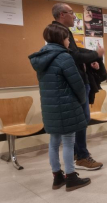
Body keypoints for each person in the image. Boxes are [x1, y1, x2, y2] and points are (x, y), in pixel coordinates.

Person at [29, 24, 91, 191]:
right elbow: (77, 84)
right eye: (66, 38)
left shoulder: (40, 58)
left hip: (50, 107)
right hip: (67, 105)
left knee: (54, 142)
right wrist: (82, 100)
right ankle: (71, 177)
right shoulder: (64, 57)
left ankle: (57, 177)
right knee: (69, 142)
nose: (68, 42)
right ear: (60, 39)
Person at [52, 3, 104, 170]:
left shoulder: (65, 32)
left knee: (81, 121)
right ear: (62, 14)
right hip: (75, 85)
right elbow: (73, 56)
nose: (75, 17)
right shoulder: (59, 32)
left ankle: (77, 155)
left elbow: (76, 52)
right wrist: (95, 54)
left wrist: (91, 58)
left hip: (79, 83)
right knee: (80, 122)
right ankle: (81, 157)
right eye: (72, 13)